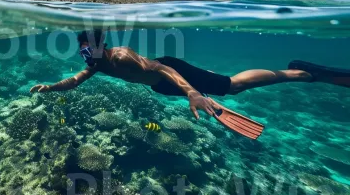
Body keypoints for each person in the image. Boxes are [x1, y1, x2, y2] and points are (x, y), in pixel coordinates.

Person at [30, 30, 350, 139]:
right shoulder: (96, 64)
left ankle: (300, 73)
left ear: (102, 48)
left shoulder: (122, 58)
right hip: (163, 86)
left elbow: (162, 67)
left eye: (90, 51)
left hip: (172, 74)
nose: (86, 57)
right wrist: (49, 87)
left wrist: (193, 91)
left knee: (233, 86)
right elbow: (75, 80)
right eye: (82, 52)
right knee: (216, 84)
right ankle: (204, 82)